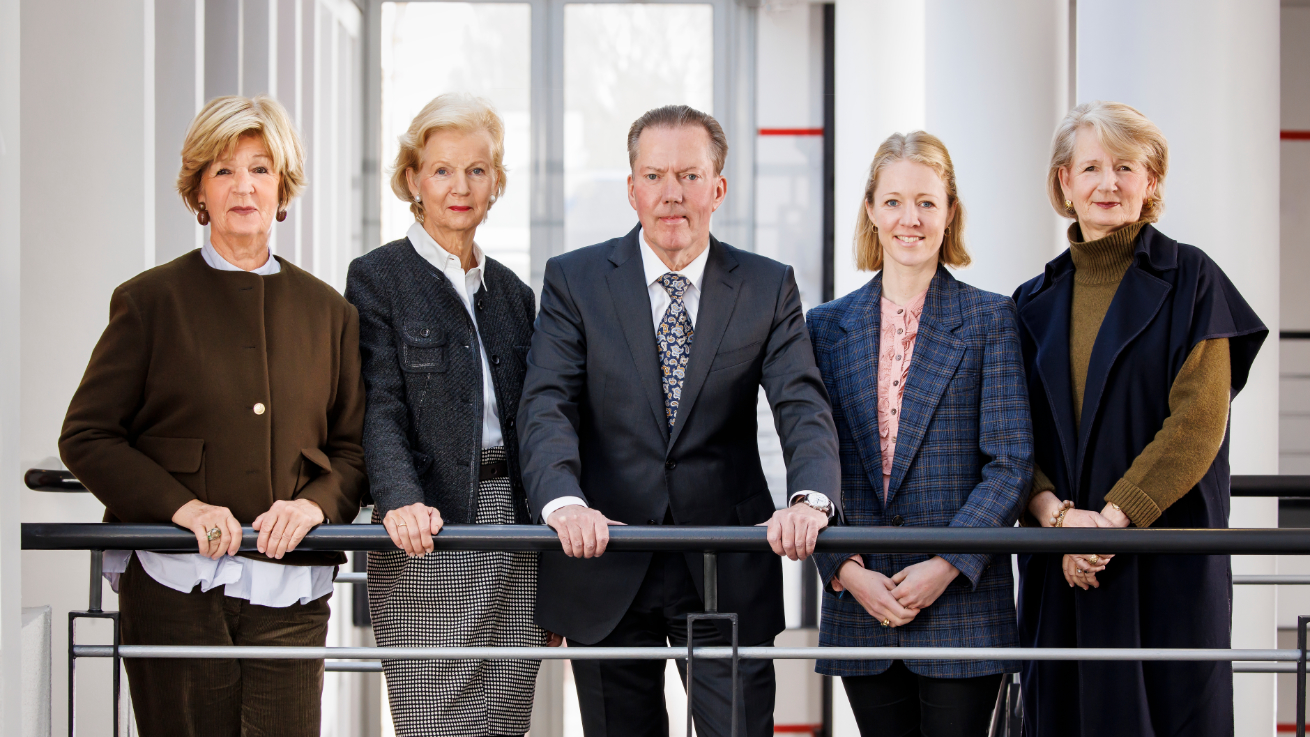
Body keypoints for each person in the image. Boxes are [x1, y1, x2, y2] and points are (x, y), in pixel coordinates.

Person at [517, 104, 841, 737]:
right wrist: (562, 502)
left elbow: (801, 404)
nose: (673, 194)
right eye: (655, 176)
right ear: (632, 187)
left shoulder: (767, 286)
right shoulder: (574, 280)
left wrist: (809, 499)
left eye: (690, 176)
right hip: (606, 555)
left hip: (727, 561)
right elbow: (546, 403)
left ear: (718, 189)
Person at [58, 94, 367, 737]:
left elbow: (352, 451)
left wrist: (313, 506)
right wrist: (181, 507)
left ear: (282, 187)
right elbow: (87, 436)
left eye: (259, 168)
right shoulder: (148, 301)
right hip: (175, 587)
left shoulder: (329, 312)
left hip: (291, 592)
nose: (243, 186)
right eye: (223, 170)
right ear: (199, 189)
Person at [1012, 101, 1267, 737]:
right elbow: (1013, 434)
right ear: (1064, 182)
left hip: (1162, 554)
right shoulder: (1029, 303)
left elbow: (1198, 422)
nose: (1108, 183)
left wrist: (1111, 522)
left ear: (1151, 181)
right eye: (1091, 166)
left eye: (1126, 166)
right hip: (1062, 562)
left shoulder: (1194, 280)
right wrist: (1060, 521)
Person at [806, 131, 1032, 736]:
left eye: (928, 202)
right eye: (895, 201)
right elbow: (814, 464)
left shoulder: (992, 318)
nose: (911, 218)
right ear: (871, 211)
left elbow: (1010, 463)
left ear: (950, 212)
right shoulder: (825, 328)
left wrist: (946, 564)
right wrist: (845, 570)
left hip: (962, 601)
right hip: (862, 599)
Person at [345, 93, 549, 737]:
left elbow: (543, 420)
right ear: (413, 179)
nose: (459, 187)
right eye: (441, 170)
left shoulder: (515, 294)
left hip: (515, 526)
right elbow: (377, 406)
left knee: (506, 714)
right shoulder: (377, 278)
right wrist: (398, 500)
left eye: (477, 170)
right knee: (439, 720)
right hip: (428, 526)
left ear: (496, 183)